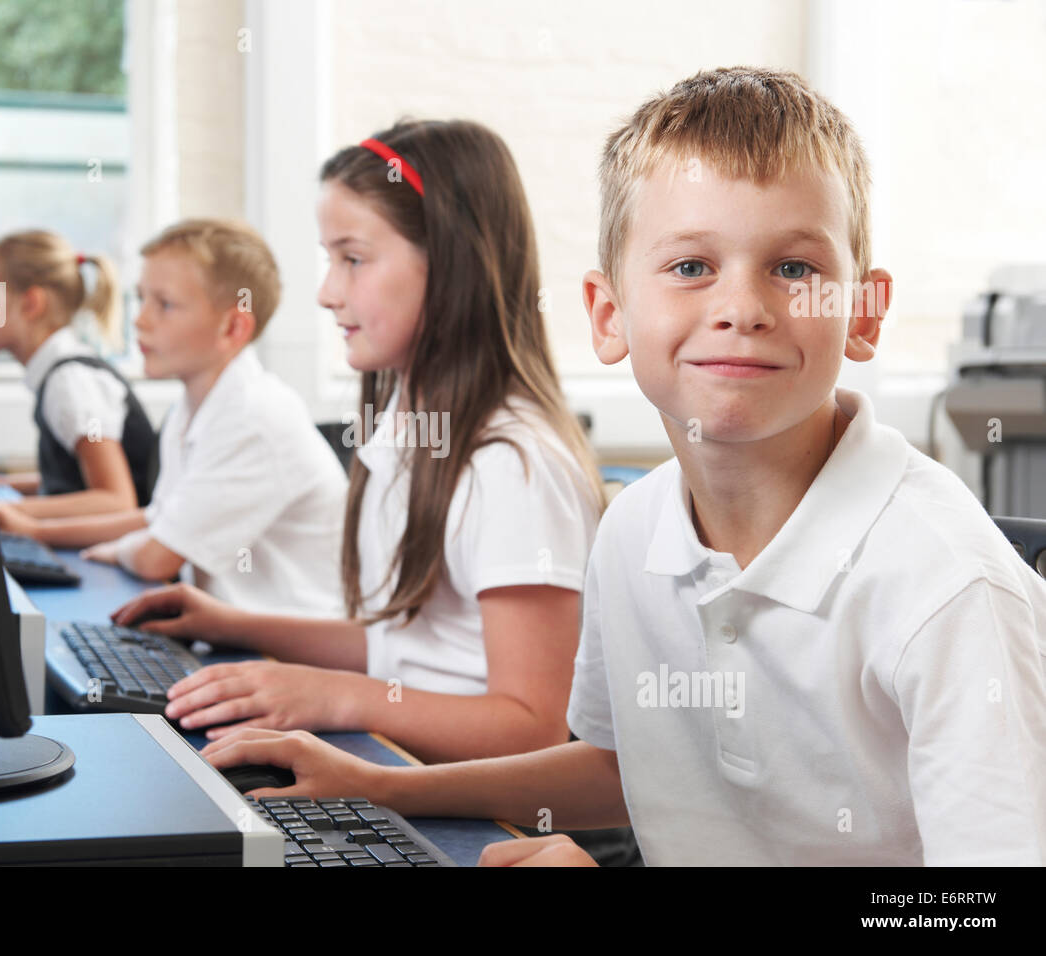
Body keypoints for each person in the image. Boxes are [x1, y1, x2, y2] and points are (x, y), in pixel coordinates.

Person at [189, 68, 1046, 866]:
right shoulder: (635, 526)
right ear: (607, 314)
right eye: (690, 267)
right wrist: (385, 789)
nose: (741, 308)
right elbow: (617, 768)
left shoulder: (948, 587)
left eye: (794, 267)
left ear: (862, 313)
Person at [111, 120, 607, 768]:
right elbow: (406, 651)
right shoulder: (405, 426)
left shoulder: (512, 465)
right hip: (411, 769)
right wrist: (232, 624)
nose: (326, 293)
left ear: (451, 262)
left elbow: (532, 726)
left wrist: (338, 698)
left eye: (352, 258)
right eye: (329, 259)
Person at [0, 219, 347, 616]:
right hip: (236, 639)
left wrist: (116, 550)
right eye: (141, 298)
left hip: (285, 654)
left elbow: (156, 557)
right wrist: (38, 533)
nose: (140, 320)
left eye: (164, 304)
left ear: (233, 327)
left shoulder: (254, 416)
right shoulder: (191, 408)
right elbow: (157, 518)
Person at [0, 229, 155, 519]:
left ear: (31, 304)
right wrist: (4, 485)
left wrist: (6, 509)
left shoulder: (70, 382)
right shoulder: (60, 373)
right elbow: (72, 483)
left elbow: (116, 501)